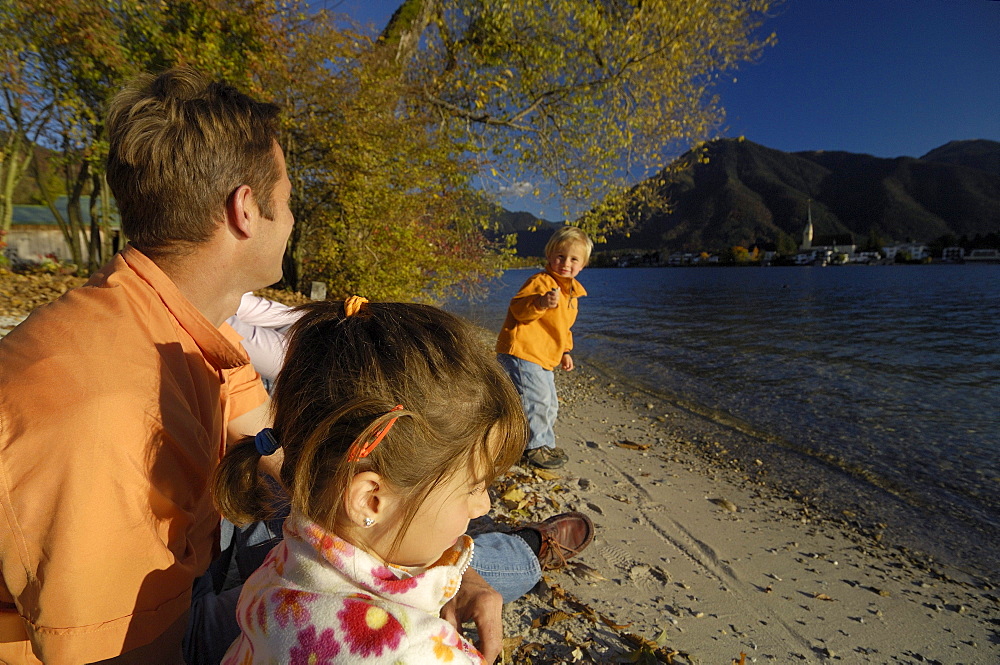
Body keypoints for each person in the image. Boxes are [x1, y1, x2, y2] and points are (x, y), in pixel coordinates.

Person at [215, 298, 540, 662]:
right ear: (370, 499)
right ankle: (532, 551)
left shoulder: (284, 564)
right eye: (475, 486)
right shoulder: (415, 649)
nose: (485, 505)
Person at [496, 227, 593, 469]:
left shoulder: (572, 294)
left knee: (550, 402)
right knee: (536, 400)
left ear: (583, 265)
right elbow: (519, 309)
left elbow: (564, 327)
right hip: (523, 351)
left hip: (544, 355)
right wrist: (540, 302)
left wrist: (566, 351)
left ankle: (543, 442)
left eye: (573, 259)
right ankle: (534, 448)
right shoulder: (541, 282)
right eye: (560, 256)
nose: (566, 263)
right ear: (550, 256)